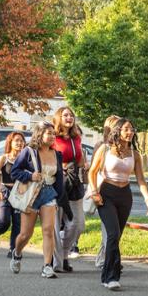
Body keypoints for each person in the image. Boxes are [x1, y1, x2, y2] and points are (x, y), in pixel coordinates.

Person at [88, 117, 148, 291]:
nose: (130, 132)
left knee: (116, 237)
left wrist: (147, 198)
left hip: (125, 196)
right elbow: (92, 172)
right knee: (112, 233)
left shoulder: (135, 154)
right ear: (117, 131)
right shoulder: (105, 149)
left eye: (132, 129)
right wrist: (94, 192)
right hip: (106, 193)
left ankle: (107, 274)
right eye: (126, 129)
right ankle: (111, 276)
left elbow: (141, 179)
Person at [11, 122, 71, 278]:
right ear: (39, 134)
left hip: (49, 194)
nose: (52, 136)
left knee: (49, 230)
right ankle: (17, 253)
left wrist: (58, 198)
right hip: (31, 195)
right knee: (25, 234)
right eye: (48, 133)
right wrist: (29, 176)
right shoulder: (28, 151)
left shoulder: (56, 154)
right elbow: (14, 172)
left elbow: (58, 179)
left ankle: (47, 266)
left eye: (53, 133)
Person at [51, 106, 88, 273]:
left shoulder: (76, 138)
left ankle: (64, 252)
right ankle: (58, 261)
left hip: (74, 183)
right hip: (56, 183)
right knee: (56, 223)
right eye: (65, 115)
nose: (69, 117)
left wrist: (84, 164)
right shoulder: (53, 137)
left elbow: (79, 160)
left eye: (71, 115)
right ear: (59, 118)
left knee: (77, 224)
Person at [0, 132, 26, 256]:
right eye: (16, 140)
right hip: (4, 192)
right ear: (10, 142)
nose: (19, 143)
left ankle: (13, 249)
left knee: (17, 223)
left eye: (21, 141)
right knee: (4, 220)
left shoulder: (25, 160)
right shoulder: (4, 158)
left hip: (19, 194)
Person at [92, 114, 122, 269]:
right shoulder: (101, 146)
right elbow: (92, 171)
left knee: (113, 229)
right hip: (103, 190)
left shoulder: (124, 146)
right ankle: (109, 261)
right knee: (109, 229)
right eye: (117, 125)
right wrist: (94, 191)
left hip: (120, 192)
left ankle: (103, 257)